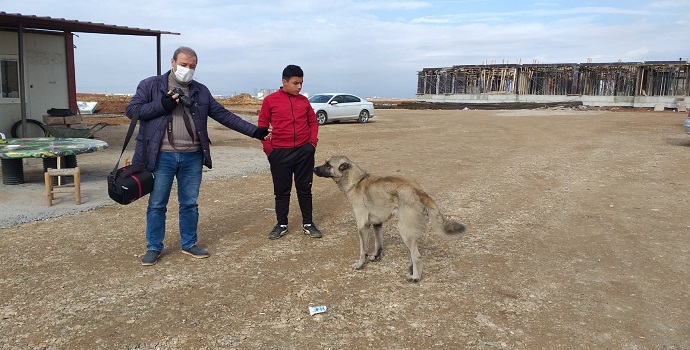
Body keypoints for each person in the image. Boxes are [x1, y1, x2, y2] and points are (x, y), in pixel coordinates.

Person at [126, 46, 269, 266]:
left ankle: (189, 243)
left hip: (192, 156)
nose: (188, 69)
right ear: (172, 62)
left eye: (192, 66)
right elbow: (133, 112)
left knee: (190, 203)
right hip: (161, 155)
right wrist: (161, 105)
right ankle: (154, 246)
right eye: (184, 65)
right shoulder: (150, 85)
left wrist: (254, 131)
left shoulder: (201, 91)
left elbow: (223, 115)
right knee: (157, 204)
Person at [258, 64, 322, 240]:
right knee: (282, 191)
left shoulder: (304, 101)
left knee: (305, 189)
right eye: (296, 83)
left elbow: (313, 123)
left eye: (301, 83)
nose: (299, 87)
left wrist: (312, 144)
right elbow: (262, 127)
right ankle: (282, 224)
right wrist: (269, 150)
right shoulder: (270, 101)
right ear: (284, 82)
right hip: (279, 153)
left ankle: (308, 223)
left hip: (304, 152)